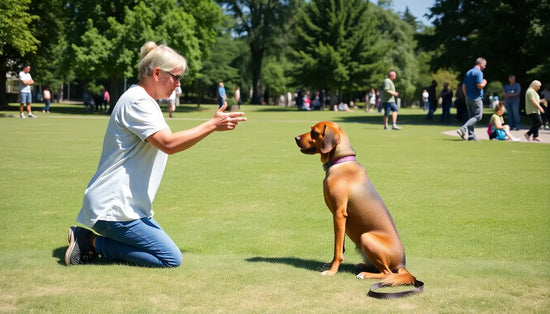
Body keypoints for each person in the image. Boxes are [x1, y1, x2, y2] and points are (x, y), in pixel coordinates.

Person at [64, 41, 247, 267]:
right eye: (176, 77)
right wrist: (211, 125)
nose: (178, 85)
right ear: (157, 73)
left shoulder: (145, 101)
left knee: (163, 251)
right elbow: (168, 143)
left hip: (128, 208)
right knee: (170, 258)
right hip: (113, 208)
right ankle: (90, 242)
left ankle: (94, 240)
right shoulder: (137, 101)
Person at [457, 57, 487, 141]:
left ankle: (471, 136)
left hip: (468, 98)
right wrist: (484, 82)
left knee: (471, 117)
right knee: (478, 116)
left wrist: (466, 96)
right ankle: (463, 128)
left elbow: (463, 86)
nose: (485, 67)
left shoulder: (468, 72)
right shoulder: (479, 73)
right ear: (481, 64)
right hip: (476, 98)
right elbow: (479, 85)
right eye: (484, 65)